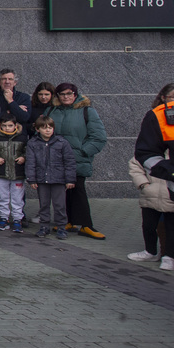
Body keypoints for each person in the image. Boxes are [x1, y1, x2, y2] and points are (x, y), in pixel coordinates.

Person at [43, 82, 107, 239]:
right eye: (62, 94)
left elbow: (98, 137)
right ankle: (67, 221)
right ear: (57, 96)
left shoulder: (87, 111)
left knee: (78, 189)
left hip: (77, 158)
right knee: (62, 191)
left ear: (75, 94)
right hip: (56, 158)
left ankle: (86, 225)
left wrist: (83, 152)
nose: (66, 97)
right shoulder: (52, 110)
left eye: (69, 94)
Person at [132, 83, 174, 270]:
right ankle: (162, 254)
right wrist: (173, 172)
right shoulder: (160, 116)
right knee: (157, 224)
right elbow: (144, 154)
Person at [26, 116, 75, 239]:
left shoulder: (62, 142)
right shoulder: (33, 143)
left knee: (59, 205)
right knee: (44, 204)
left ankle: (61, 227)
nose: (48, 130)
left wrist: (69, 179)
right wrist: (31, 179)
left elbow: (69, 162)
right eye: (44, 128)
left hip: (58, 179)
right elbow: (30, 162)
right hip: (42, 179)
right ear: (37, 129)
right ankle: (44, 226)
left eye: (50, 128)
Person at [0, 113, 27, 232]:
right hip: (0, 172)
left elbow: (28, 151)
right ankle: (4, 218)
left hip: (17, 172)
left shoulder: (22, 138)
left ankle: (18, 219)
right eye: (4, 125)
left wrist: (24, 157)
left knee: (17, 197)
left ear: (15, 126)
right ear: (0, 126)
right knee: (2, 196)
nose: (7, 128)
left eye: (10, 125)